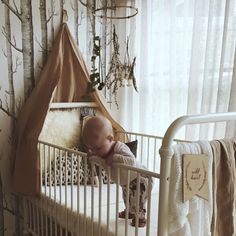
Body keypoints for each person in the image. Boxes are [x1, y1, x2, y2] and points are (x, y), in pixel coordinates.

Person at [82, 115, 152, 227]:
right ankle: (130, 212)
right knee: (127, 198)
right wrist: (92, 157)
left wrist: (115, 158)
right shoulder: (103, 152)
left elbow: (131, 161)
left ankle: (141, 218)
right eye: (92, 148)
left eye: (98, 148)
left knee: (138, 200)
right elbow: (100, 161)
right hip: (126, 180)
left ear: (110, 139)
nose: (96, 151)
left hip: (140, 178)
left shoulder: (120, 148)